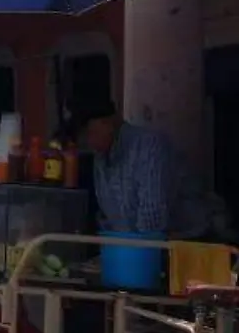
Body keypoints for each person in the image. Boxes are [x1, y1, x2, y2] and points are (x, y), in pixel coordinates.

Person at [72, 99, 209, 239]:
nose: (88, 142)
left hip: (185, 244)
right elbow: (110, 217)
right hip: (137, 248)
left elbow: (152, 218)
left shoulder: (149, 146)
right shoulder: (101, 157)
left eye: (90, 133)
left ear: (107, 123)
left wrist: (133, 253)